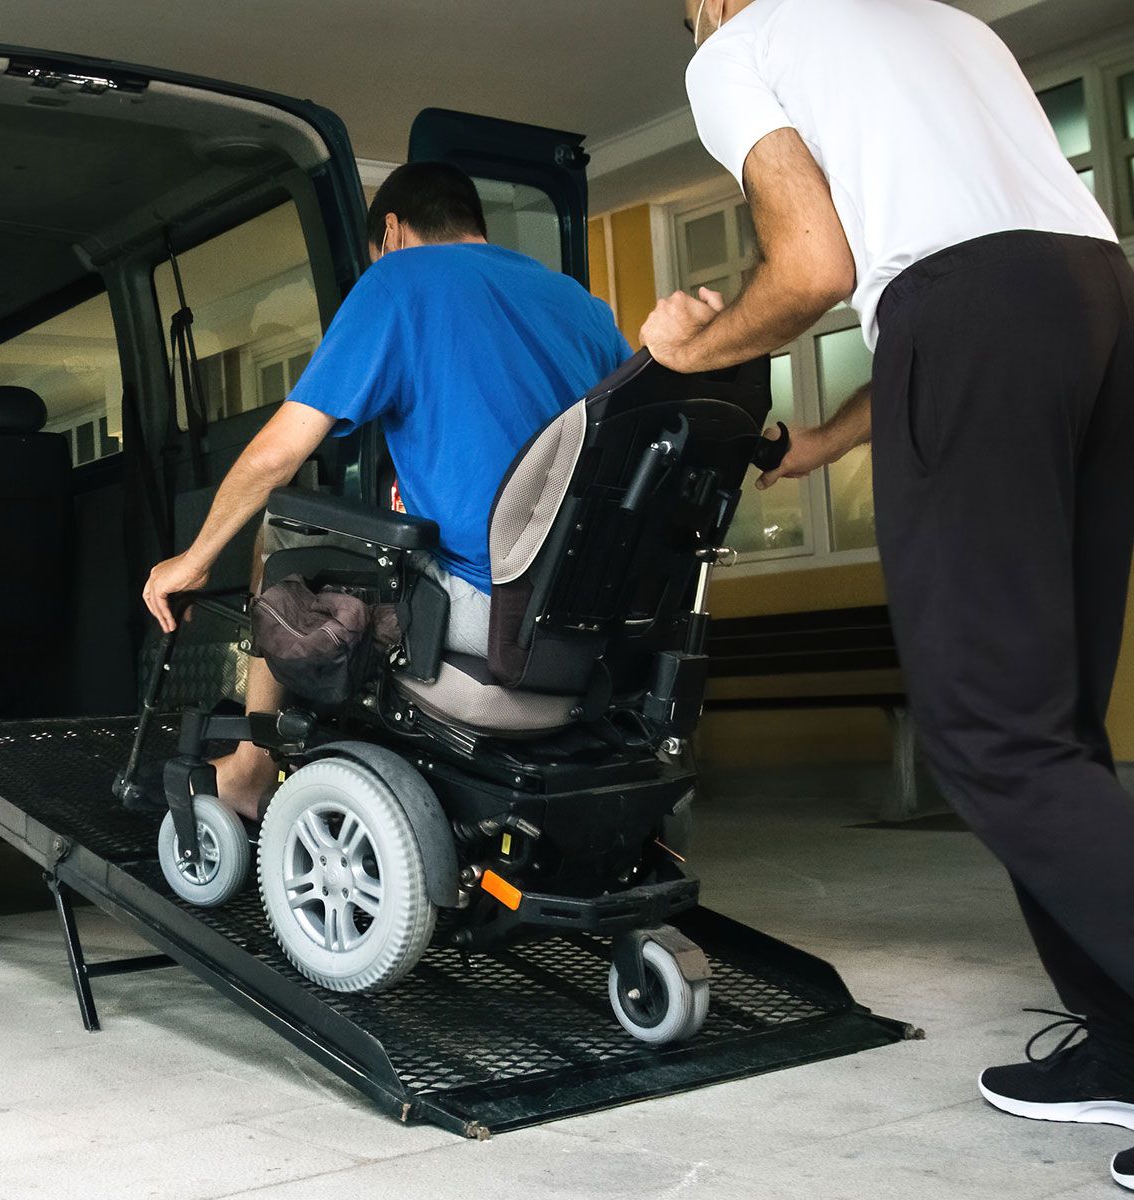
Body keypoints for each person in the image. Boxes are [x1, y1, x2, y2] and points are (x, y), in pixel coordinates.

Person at [646, 0, 1134, 1189]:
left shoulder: (736, 48)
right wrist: (815, 443)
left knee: (995, 738)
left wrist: (682, 351)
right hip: (1104, 309)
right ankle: (1121, 1040)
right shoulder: (946, 24)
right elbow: (987, 266)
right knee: (1051, 725)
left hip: (982, 323)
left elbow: (821, 267)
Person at [141, 161, 630, 819]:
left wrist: (193, 559)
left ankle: (253, 769)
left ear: (393, 232)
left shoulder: (399, 280)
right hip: (583, 612)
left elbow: (278, 456)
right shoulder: (583, 306)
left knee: (282, 524)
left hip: (483, 604)